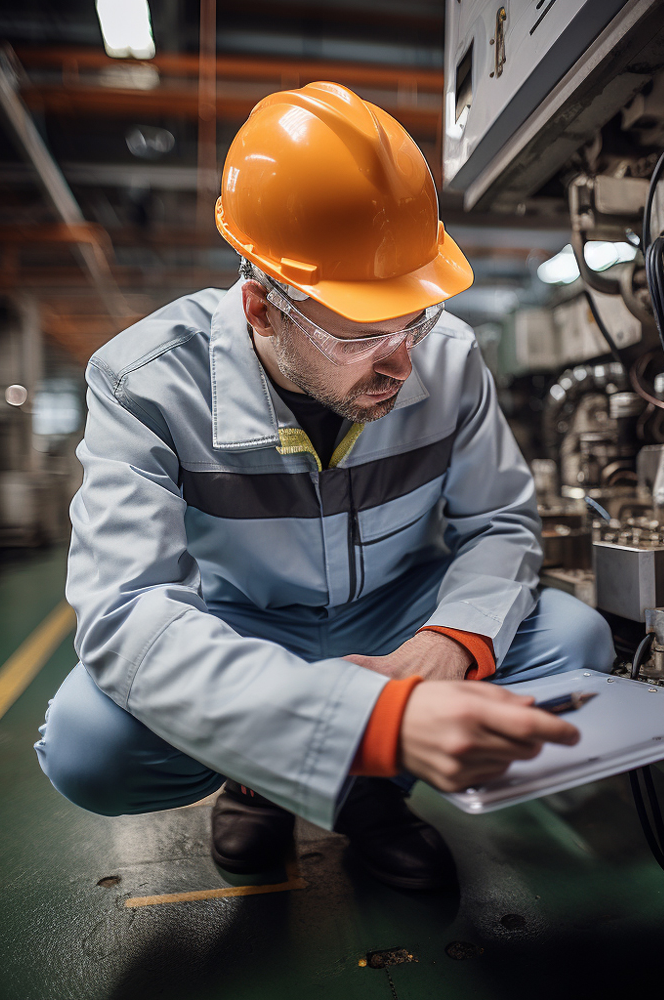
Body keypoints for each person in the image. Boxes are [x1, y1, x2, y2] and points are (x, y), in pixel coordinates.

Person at [34, 82, 614, 890]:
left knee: (575, 646)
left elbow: (502, 526)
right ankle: (266, 775)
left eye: (414, 315)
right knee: (91, 745)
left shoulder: (450, 361)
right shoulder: (144, 384)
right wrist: (375, 720)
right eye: (362, 332)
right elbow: (127, 614)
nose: (403, 359)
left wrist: (448, 645)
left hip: (395, 614)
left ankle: (366, 790)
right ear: (262, 309)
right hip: (243, 624)